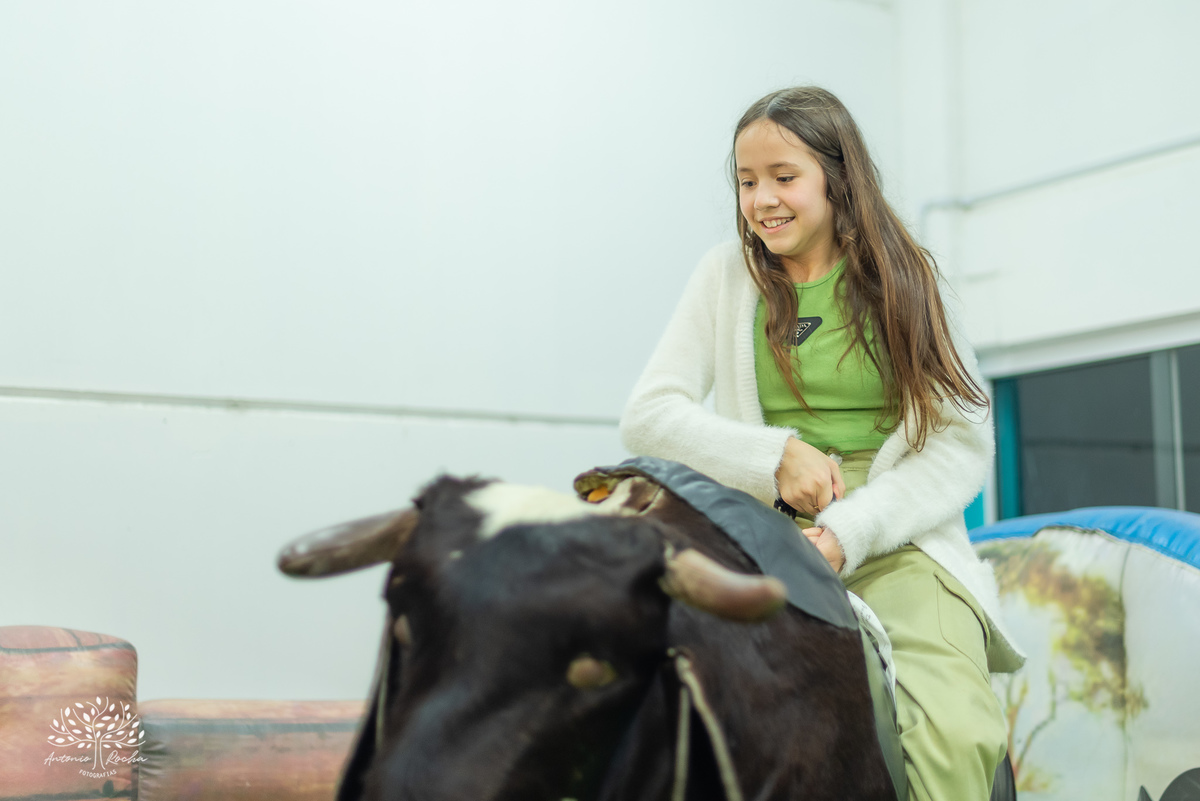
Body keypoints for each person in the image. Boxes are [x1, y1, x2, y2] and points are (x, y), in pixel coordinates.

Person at [619, 86, 1025, 801]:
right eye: (747, 181)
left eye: (784, 177)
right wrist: (771, 457)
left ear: (838, 179)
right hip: (755, 539)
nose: (762, 200)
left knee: (957, 734)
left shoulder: (908, 278)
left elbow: (961, 445)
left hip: (898, 542)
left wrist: (849, 531)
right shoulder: (725, 275)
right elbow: (648, 417)